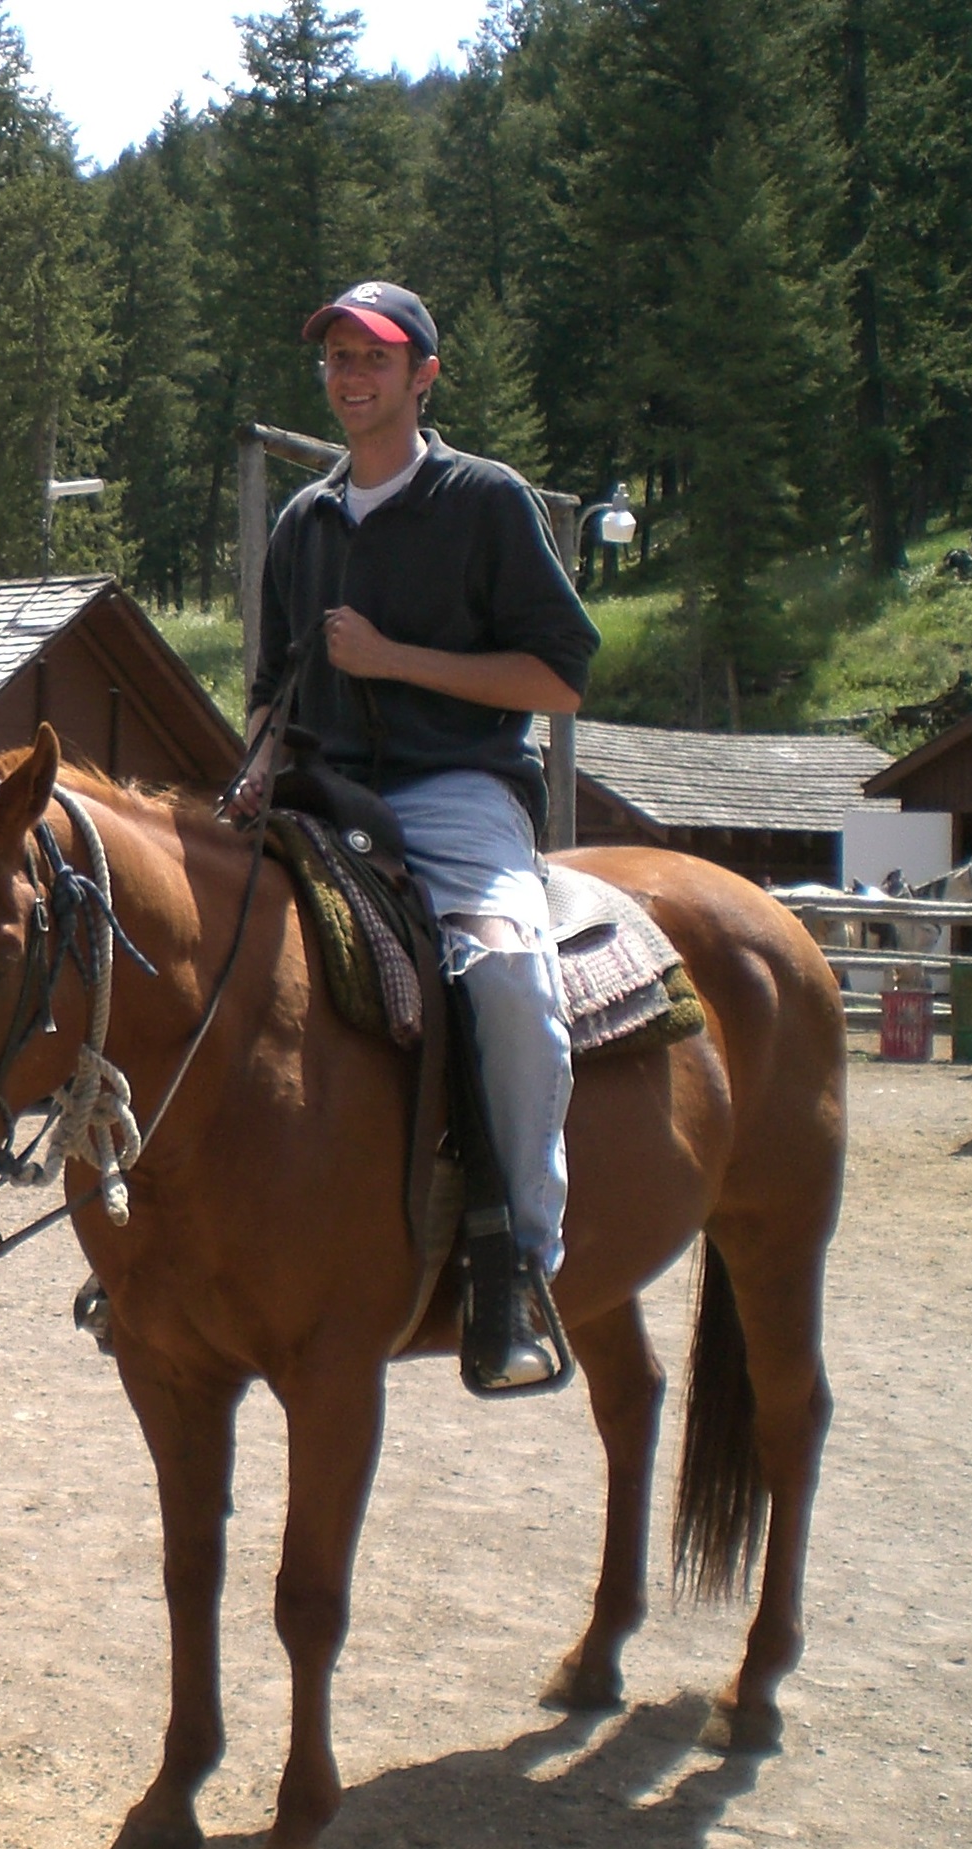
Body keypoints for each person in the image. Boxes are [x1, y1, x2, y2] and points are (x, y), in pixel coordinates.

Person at [242, 281, 600, 1389]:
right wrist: (254, 763)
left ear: (421, 377)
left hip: (455, 788)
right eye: (336, 359)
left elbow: (558, 678)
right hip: (320, 787)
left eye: (374, 359)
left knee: (503, 981)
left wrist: (396, 660)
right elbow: (268, 690)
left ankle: (519, 1262)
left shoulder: (483, 501)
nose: (351, 378)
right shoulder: (303, 522)